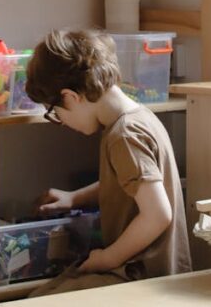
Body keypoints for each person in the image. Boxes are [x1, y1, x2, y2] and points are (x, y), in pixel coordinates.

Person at [24, 29, 191, 297]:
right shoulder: (137, 118)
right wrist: (75, 198)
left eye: (55, 113)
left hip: (141, 276)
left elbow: (158, 214)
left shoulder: (124, 135)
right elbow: (131, 183)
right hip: (139, 271)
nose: (61, 122)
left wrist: (109, 258)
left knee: (40, 300)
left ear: (70, 96)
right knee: (46, 292)